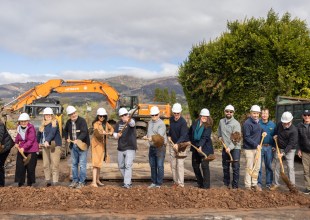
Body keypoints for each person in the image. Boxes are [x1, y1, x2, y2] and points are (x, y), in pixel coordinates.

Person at [64, 105, 90, 189]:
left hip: (82, 146)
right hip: (73, 146)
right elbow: (65, 131)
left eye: (74, 113)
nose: (73, 115)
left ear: (76, 112)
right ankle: (75, 180)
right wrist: (67, 138)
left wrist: (78, 139)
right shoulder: (68, 122)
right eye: (71, 114)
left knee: (82, 164)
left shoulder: (82, 121)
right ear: (69, 115)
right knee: (74, 164)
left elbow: (84, 132)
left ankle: (82, 182)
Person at [270, 111, 298, 191]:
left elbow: (291, 144)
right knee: (276, 166)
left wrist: (283, 153)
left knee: (290, 167)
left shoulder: (294, 130)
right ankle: (275, 184)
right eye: (284, 122)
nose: (285, 124)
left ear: (290, 121)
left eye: (287, 123)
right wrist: (275, 137)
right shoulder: (279, 124)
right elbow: (275, 132)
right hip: (279, 147)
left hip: (290, 150)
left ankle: (292, 186)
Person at [37, 107, 62, 187]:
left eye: (49, 115)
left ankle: (55, 182)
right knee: (45, 164)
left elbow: (52, 132)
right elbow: (39, 134)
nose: (47, 116)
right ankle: (47, 180)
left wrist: (47, 140)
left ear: (52, 115)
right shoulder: (42, 124)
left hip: (54, 145)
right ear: (44, 116)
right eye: (46, 115)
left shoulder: (55, 122)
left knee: (54, 164)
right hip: (45, 146)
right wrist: (37, 142)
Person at [218, 105, 241, 189]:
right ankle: (226, 184)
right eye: (227, 111)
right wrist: (219, 136)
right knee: (225, 166)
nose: (229, 113)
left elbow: (236, 139)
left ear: (233, 113)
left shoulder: (236, 124)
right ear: (224, 111)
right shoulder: (221, 121)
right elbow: (219, 131)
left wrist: (229, 148)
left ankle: (235, 186)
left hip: (235, 148)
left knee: (235, 167)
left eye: (230, 112)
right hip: (225, 147)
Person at [189, 108, 214, 189]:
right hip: (195, 147)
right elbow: (190, 133)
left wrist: (200, 146)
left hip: (205, 148)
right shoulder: (195, 123)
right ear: (200, 115)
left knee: (204, 165)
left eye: (206, 116)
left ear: (208, 117)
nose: (204, 117)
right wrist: (188, 140)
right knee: (195, 165)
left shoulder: (208, 126)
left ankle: (206, 186)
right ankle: (200, 183)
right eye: (203, 116)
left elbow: (205, 137)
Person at [243, 105, 265, 191]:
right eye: (254, 113)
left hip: (257, 149)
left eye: (257, 113)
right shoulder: (247, 124)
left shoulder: (258, 122)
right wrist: (256, 145)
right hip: (249, 149)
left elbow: (259, 130)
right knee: (249, 167)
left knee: (257, 167)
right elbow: (247, 137)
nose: (256, 115)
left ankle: (254, 184)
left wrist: (264, 132)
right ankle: (248, 186)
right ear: (251, 113)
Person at [144, 106, 167, 188]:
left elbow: (159, 137)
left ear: (159, 114)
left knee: (160, 165)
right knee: (153, 165)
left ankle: (159, 183)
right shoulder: (150, 123)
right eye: (152, 115)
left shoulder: (161, 124)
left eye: (155, 115)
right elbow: (149, 133)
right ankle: (154, 182)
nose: (154, 116)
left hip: (160, 147)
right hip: (152, 147)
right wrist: (146, 136)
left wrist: (151, 138)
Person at [113, 107, 137, 189]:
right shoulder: (118, 124)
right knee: (121, 166)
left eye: (125, 115)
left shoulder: (131, 121)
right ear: (120, 116)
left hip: (130, 147)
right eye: (122, 115)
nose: (124, 116)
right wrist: (117, 135)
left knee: (128, 165)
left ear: (128, 114)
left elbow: (132, 124)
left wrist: (128, 120)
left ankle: (126, 184)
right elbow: (114, 134)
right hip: (120, 148)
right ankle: (128, 181)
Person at [90, 107, 114, 187]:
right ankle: (93, 182)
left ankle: (97, 180)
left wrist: (110, 132)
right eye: (100, 116)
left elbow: (112, 129)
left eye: (103, 116)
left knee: (99, 163)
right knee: (95, 164)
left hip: (103, 146)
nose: (102, 118)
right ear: (97, 116)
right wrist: (104, 133)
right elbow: (97, 133)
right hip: (96, 146)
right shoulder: (95, 124)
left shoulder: (106, 123)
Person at [168, 103, 190, 188]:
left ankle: (181, 184)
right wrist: (169, 136)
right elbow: (171, 130)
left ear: (180, 113)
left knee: (180, 165)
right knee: (173, 164)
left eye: (178, 113)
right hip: (172, 145)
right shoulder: (171, 120)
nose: (176, 115)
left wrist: (177, 144)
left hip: (181, 146)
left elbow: (183, 135)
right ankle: (175, 182)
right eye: (175, 113)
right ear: (173, 112)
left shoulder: (183, 122)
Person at [14, 113, 39, 187]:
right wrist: (16, 143)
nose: (23, 123)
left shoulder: (31, 128)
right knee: (20, 166)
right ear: (20, 122)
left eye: (25, 121)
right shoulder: (19, 127)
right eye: (22, 121)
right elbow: (18, 137)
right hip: (22, 150)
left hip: (31, 150)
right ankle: (20, 182)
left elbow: (30, 140)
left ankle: (29, 184)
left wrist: (23, 147)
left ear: (28, 121)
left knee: (30, 167)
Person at [258, 108, 276, 190]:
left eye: (266, 113)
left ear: (268, 115)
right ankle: (259, 183)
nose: (264, 115)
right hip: (260, 147)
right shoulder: (258, 123)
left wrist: (274, 146)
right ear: (261, 114)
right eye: (263, 113)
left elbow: (276, 136)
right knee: (259, 166)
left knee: (268, 166)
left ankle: (269, 183)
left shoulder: (273, 125)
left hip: (269, 148)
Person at [297, 109, 310, 194]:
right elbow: (298, 139)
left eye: (308, 115)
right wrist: (299, 149)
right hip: (305, 151)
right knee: (306, 171)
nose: (307, 117)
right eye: (305, 115)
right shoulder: (299, 126)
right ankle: (308, 188)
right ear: (302, 116)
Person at [0, 120, 15, 186]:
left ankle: (1, 184)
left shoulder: (0, 125)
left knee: (0, 164)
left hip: (5, 146)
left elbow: (0, 135)